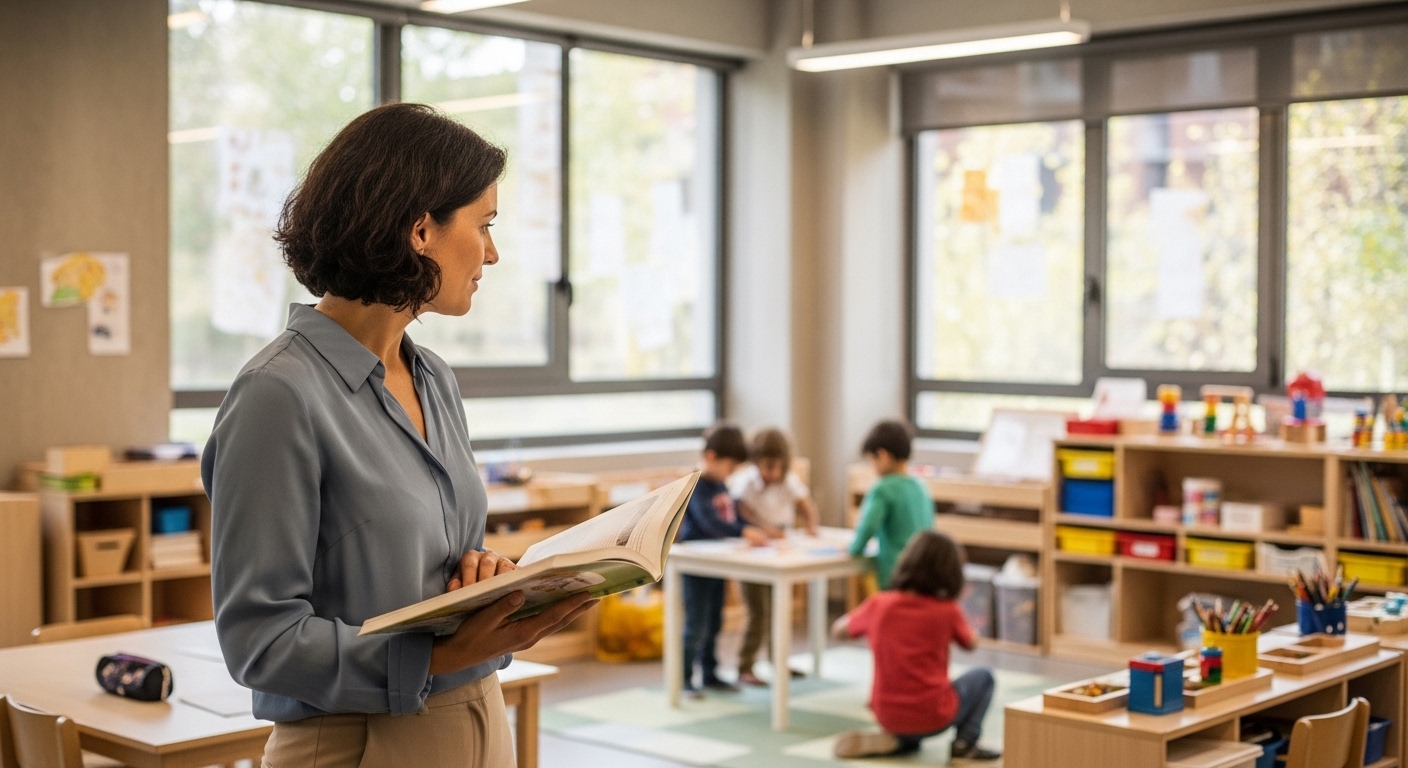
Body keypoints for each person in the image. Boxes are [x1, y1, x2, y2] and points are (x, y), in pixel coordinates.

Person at [202, 103, 594, 767]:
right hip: (355, 743)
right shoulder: (277, 394)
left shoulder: (433, 376)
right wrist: (439, 653)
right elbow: (259, 642)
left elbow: (431, 561)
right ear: (420, 230)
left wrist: (482, 586)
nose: (493, 253)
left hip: (474, 713)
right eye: (485, 225)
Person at [831, 531, 1001, 763]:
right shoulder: (947, 611)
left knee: (909, 721)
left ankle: (896, 741)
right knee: (984, 676)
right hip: (933, 716)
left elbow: (839, 630)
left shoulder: (880, 603)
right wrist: (974, 632)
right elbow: (970, 643)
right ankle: (964, 746)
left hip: (886, 714)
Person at [677, 422, 767, 696]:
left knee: (716, 620)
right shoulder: (697, 486)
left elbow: (732, 516)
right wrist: (742, 531)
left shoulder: (720, 485)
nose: (731, 473)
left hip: (718, 563)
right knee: (697, 623)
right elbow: (711, 523)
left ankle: (710, 672)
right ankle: (684, 679)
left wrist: (750, 528)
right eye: (730, 466)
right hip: (696, 564)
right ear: (712, 457)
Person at [731, 428, 819, 686]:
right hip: (753, 554)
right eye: (765, 467)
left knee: (779, 610)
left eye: (775, 467)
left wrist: (812, 527)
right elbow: (742, 514)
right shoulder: (745, 483)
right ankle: (745, 665)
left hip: (779, 552)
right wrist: (766, 532)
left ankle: (778, 660)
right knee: (758, 612)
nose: (770, 473)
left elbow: (806, 505)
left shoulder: (789, 481)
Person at [849, 419, 934, 589]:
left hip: (896, 574)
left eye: (872, 460)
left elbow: (868, 527)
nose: (872, 467)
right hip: (924, 573)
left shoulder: (883, 489)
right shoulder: (921, 487)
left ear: (882, 455)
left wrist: (854, 549)